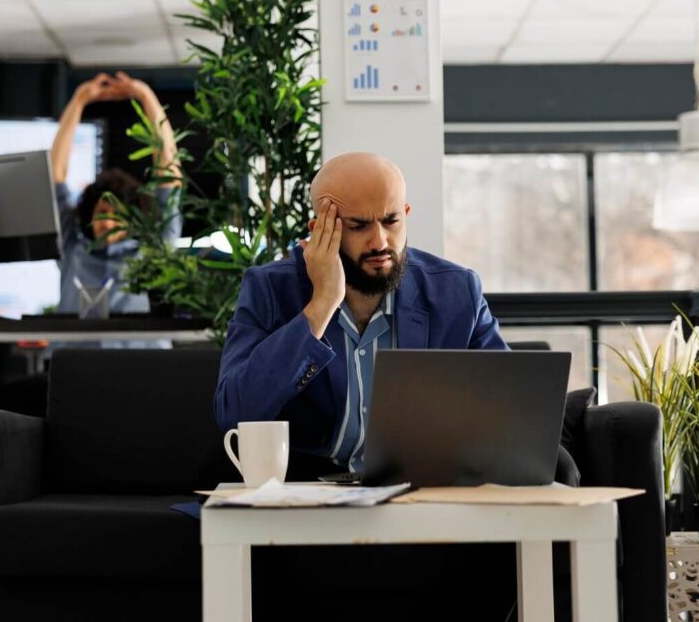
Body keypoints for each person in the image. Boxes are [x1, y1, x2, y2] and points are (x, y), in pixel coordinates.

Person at [215, 151, 508, 473]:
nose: (379, 242)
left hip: (420, 480)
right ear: (320, 229)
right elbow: (236, 414)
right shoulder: (271, 289)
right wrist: (322, 304)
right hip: (308, 484)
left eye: (391, 221)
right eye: (359, 226)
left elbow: (509, 405)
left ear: (406, 214)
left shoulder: (456, 291)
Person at [51, 71, 182, 315]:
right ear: (89, 216)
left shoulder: (152, 254)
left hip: (136, 342)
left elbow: (169, 179)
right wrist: (79, 99)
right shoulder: (72, 249)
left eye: (118, 214)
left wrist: (146, 97)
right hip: (73, 342)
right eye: (102, 212)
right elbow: (56, 177)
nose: (108, 222)